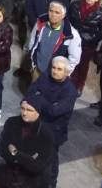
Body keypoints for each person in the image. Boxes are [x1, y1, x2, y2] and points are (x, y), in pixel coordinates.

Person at [26, 56, 78, 188]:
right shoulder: (45, 77)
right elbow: (30, 92)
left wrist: (39, 98)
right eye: (54, 68)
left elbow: (54, 111)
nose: (55, 71)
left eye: (59, 69)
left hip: (53, 132)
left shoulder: (70, 91)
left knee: (50, 163)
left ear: (66, 72)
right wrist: (45, 103)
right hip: (36, 126)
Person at [0, 97, 55, 188]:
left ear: (38, 113)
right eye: (22, 108)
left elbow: (37, 166)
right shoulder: (11, 122)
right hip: (11, 174)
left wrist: (16, 153)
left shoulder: (46, 134)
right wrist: (27, 158)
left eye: (29, 110)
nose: (24, 113)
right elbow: (2, 150)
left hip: (32, 180)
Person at [68, 0, 102, 94]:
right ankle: (71, 82)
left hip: (88, 43)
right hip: (72, 39)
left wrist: (92, 39)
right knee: (71, 61)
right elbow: (68, 20)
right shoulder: (75, 5)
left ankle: (80, 84)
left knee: (83, 64)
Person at [28, 1, 82, 78]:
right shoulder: (40, 23)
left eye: (57, 12)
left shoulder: (71, 34)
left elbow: (74, 58)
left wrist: (64, 74)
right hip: (37, 69)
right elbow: (32, 40)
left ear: (63, 15)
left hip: (54, 75)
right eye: (51, 11)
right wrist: (33, 63)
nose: (53, 15)